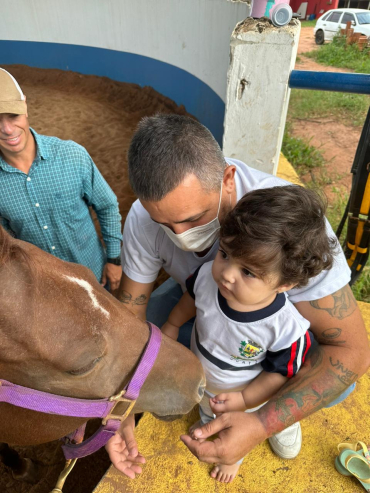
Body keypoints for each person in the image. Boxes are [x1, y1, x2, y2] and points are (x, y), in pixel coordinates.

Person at [106, 114, 370, 477]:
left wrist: (263, 421)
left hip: (265, 336)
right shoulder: (143, 218)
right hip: (201, 307)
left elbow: (351, 352)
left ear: (229, 179)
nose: (179, 235)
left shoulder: (290, 230)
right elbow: (130, 313)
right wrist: (122, 405)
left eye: (194, 218)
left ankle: (279, 413)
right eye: (164, 224)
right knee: (144, 331)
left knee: (333, 383)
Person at [161, 185, 336, 483]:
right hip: (204, 380)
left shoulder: (285, 328)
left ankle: (243, 448)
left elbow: (280, 374)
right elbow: (191, 300)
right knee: (208, 410)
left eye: (249, 272)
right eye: (225, 254)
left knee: (235, 425)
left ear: (286, 283)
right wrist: (173, 325)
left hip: (249, 398)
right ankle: (209, 421)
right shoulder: (207, 278)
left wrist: (244, 399)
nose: (227, 273)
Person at [0, 68, 122, 290]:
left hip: (94, 280)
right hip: (47, 291)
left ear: (25, 106)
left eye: (13, 115)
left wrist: (114, 259)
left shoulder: (72, 155)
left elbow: (107, 206)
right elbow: (8, 245)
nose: (7, 129)